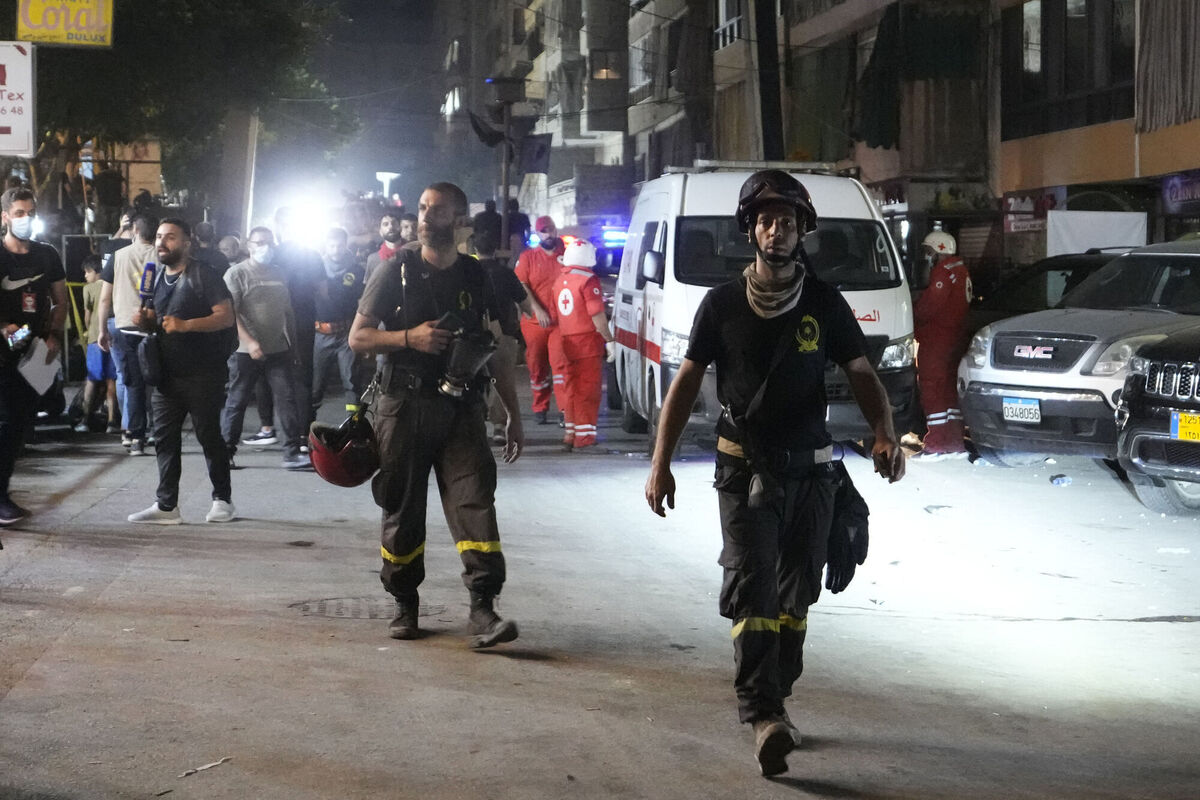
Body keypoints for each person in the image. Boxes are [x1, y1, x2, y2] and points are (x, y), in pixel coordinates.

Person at [643, 170, 905, 777]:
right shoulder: (721, 304)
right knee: (754, 589)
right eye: (765, 221)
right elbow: (685, 383)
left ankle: (777, 698)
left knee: (796, 596)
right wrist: (661, 463)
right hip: (744, 475)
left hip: (811, 475)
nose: (775, 230)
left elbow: (862, 373)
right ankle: (762, 713)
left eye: (786, 221)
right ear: (751, 231)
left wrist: (884, 432)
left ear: (801, 230)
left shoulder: (824, 303)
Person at [349, 181, 525, 649]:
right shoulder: (396, 270)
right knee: (402, 507)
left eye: (438, 210)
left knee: (475, 501)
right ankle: (404, 603)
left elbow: (497, 347)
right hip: (402, 405)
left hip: (461, 408)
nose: (426, 217)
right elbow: (358, 337)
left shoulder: (477, 276)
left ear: (460, 220)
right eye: (424, 208)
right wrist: (410, 338)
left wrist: (512, 412)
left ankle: (483, 609)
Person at [127, 219, 237, 525]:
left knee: (209, 436)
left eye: (170, 237)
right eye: (159, 236)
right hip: (166, 375)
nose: (162, 242)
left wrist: (186, 325)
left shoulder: (204, 274)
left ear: (187, 242)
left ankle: (223, 500)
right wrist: (146, 322)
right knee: (164, 439)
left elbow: (225, 317)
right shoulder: (156, 277)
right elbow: (158, 321)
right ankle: (166, 506)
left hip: (203, 374)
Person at [0, 187, 68, 528]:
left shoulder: (47, 254)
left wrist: (53, 334)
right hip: (2, 353)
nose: (26, 219)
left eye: (30, 212)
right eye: (19, 213)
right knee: (5, 421)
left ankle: (3, 492)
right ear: (5, 217)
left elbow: (61, 300)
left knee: (20, 424)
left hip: (35, 351)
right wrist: (4, 327)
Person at [220, 227, 310, 471]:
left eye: (269, 243)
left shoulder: (280, 273)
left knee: (286, 399)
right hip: (244, 352)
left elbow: (287, 312)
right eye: (259, 242)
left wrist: (294, 346)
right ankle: (226, 453)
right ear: (248, 245)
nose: (265, 247)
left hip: (277, 349)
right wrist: (249, 342)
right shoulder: (236, 274)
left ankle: (292, 453)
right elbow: (231, 314)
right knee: (237, 401)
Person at [97, 211, 159, 455]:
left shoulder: (118, 256)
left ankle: (135, 438)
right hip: (154, 327)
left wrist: (102, 329)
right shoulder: (162, 256)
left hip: (124, 327)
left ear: (135, 230)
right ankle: (158, 431)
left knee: (132, 384)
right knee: (157, 382)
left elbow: (104, 299)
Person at [913, 226, 971, 457]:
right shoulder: (961, 270)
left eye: (929, 251)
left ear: (939, 249)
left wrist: (913, 312)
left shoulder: (943, 272)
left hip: (936, 340)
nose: (928, 255)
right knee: (949, 392)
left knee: (932, 388)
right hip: (955, 339)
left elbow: (929, 306)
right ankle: (954, 442)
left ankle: (935, 445)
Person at [553, 239, 616, 450]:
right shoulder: (588, 280)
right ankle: (585, 437)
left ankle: (570, 433)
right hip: (586, 343)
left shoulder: (560, 280)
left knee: (571, 389)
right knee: (588, 391)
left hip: (566, 342)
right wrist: (609, 339)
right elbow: (597, 314)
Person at [474, 229, 533, 444]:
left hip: (473, 337)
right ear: (496, 251)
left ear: (474, 249)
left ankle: (476, 424)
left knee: (473, 380)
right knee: (502, 381)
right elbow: (526, 305)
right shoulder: (506, 273)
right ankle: (499, 426)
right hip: (505, 334)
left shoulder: (468, 273)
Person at [274, 207, 324, 455]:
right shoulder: (312, 255)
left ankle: (275, 431)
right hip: (303, 320)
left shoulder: (272, 254)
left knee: (275, 377)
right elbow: (323, 291)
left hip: (274, 321)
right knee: (302, 377)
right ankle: (303, 435)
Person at [514, 215, 567, 424]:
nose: (548, 234)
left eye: (551, 229)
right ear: (538, 233)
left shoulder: (567, 255)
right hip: (534, 323)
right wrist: (538, 309)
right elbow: (522, 284)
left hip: (561, 323)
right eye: (544, 231)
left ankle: (565, 410)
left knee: (561, 366)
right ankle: (540, 407)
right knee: (537, 367)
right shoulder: (528, 257)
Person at [312, 227, 367, 416]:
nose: (336, 250)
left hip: (346, 334)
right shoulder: (315, 268)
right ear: (326, 245)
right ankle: (307, 427)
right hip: (320, 334)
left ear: (346, 245)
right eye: (332, 246)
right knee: (315, 385)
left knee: (352, 383)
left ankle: (355, 425)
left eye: (340, 245)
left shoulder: (357, 270)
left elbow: (362, 303)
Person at [76, 254, 119, 434]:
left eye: (87, 272)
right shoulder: (115, 285)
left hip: (95, 337)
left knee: (92, 378)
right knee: (112, 380)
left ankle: (85, 419)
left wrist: (90, 330)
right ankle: (112, 421)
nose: (85, 276)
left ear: (95, 271)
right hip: (113, 336)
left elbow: (87, 316)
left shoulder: (89, 288)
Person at [364, 209, 406, 283]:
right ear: (381, 232)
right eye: (385, 224)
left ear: (400, 227)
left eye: (394, 223)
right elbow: (369, 287)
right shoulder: (373, 259)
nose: (390, 227)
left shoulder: (412, 253)